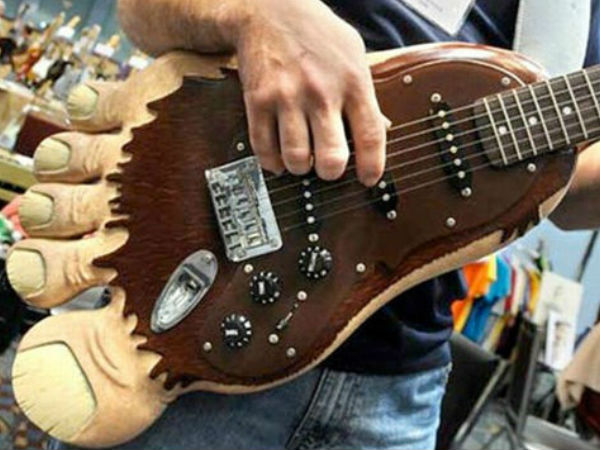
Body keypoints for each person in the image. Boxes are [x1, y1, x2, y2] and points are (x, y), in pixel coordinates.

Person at [52, 0, 600, 449]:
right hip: (196, 333)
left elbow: (564, 198)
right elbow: (140, 10)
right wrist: (252, 12)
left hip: (397, 393)